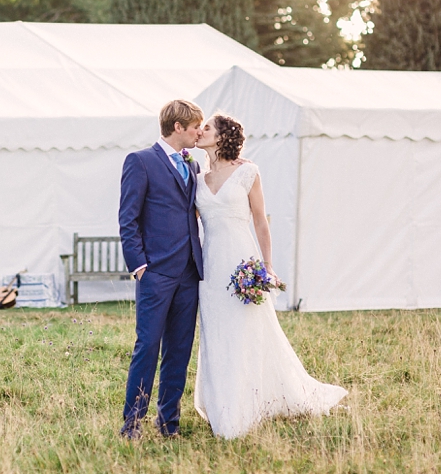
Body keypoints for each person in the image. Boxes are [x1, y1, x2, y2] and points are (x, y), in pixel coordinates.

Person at [193, 114, 346, 439]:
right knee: (216, 333)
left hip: (241, 264)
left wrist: (268, 266)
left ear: (222, 137)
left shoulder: (248, 172)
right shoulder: (198, 177)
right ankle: (222, 404)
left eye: (207, 127)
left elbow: (261, 221)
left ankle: (250, 404)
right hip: (209, 267)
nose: (200, 130)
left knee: (247, 331)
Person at [118, 99, 205, 439]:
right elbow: (128, 218)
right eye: (195, 126)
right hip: (155, 272)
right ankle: (132, 424)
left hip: (189, 272)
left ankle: (169, 422)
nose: (200, 131)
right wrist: (139, 266)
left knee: (179, 350)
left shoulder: (193, 165)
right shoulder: (140, 162)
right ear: (178, 127)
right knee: (148, 346)